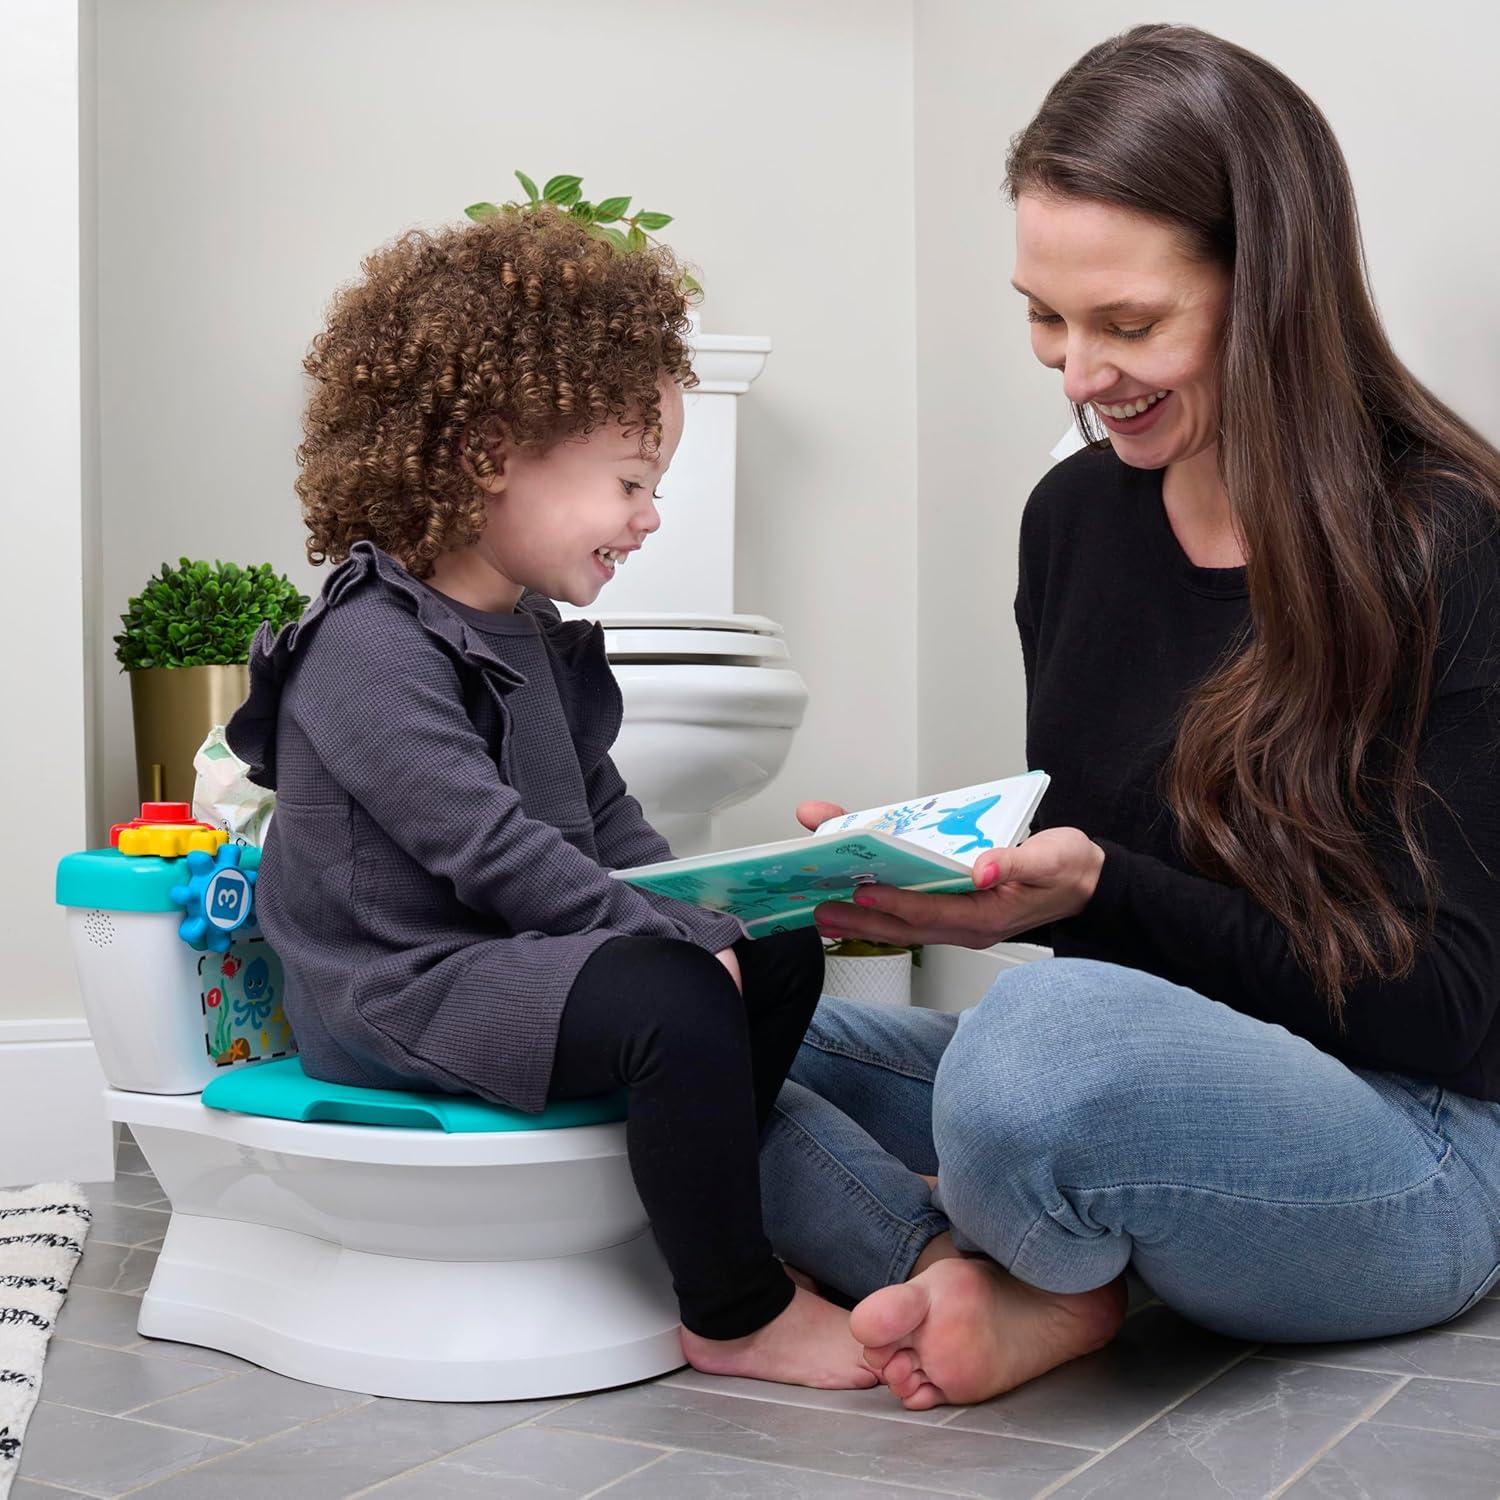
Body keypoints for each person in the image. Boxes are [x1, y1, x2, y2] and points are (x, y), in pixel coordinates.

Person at [761, 22, 1500, 1410]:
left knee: (1039, 1058)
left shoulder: (1448, 541)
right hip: (1155, 1085)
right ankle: (985, 1264)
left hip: (1420, 1139)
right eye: (1045, 315)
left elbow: (1460, 1015)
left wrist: (1095, 899)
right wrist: (968, 888)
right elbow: (1119, 901)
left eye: (1129, 323)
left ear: (1268, 286)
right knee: (676, 1007)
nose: (1077, 375)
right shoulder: (1072, 524)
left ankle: (1025, 1253)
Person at [226, 207, 875, 1388]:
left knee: (773, 949)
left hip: (508, 960)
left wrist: (724, 902)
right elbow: (489, 851)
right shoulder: (368, 646)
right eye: (632, 480)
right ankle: (733, 1313)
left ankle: (700, 1205)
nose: (653, 514)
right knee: (673, 999)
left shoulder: (529, 633)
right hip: (402, 984)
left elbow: (607, 821)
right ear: (487, 455)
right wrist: (666, 940)